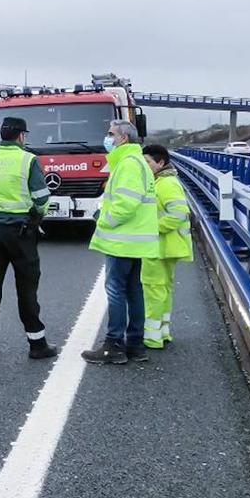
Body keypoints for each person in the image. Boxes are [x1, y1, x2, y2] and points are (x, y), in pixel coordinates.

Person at [0, 117, 59, 360]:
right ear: (21, 136)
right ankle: (37, 344)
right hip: (21, 231)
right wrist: (37, 215)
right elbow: (42, 198)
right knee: (26, 288)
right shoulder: (28, 160)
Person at [82, 120, 161, 365]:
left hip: (123, 240)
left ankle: (113, 345)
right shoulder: (138, 162)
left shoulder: (127, 164)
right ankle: (135, 345)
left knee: (116, 291)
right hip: (136, 240)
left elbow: (126, 203)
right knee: (134, 291)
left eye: (111, 134)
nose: (108, 139)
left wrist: (103, 220)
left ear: (124, 138)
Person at [140, 145, 193, 349]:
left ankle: (152, 337)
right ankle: (162, 331)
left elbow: (178, 214)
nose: (145, 166)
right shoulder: (164, 181)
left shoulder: (166, 184)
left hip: (159, 246)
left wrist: (150, 228)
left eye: (148, 162)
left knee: (153, 290)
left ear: (160, 163)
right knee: (164, 290)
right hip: (167, 246)